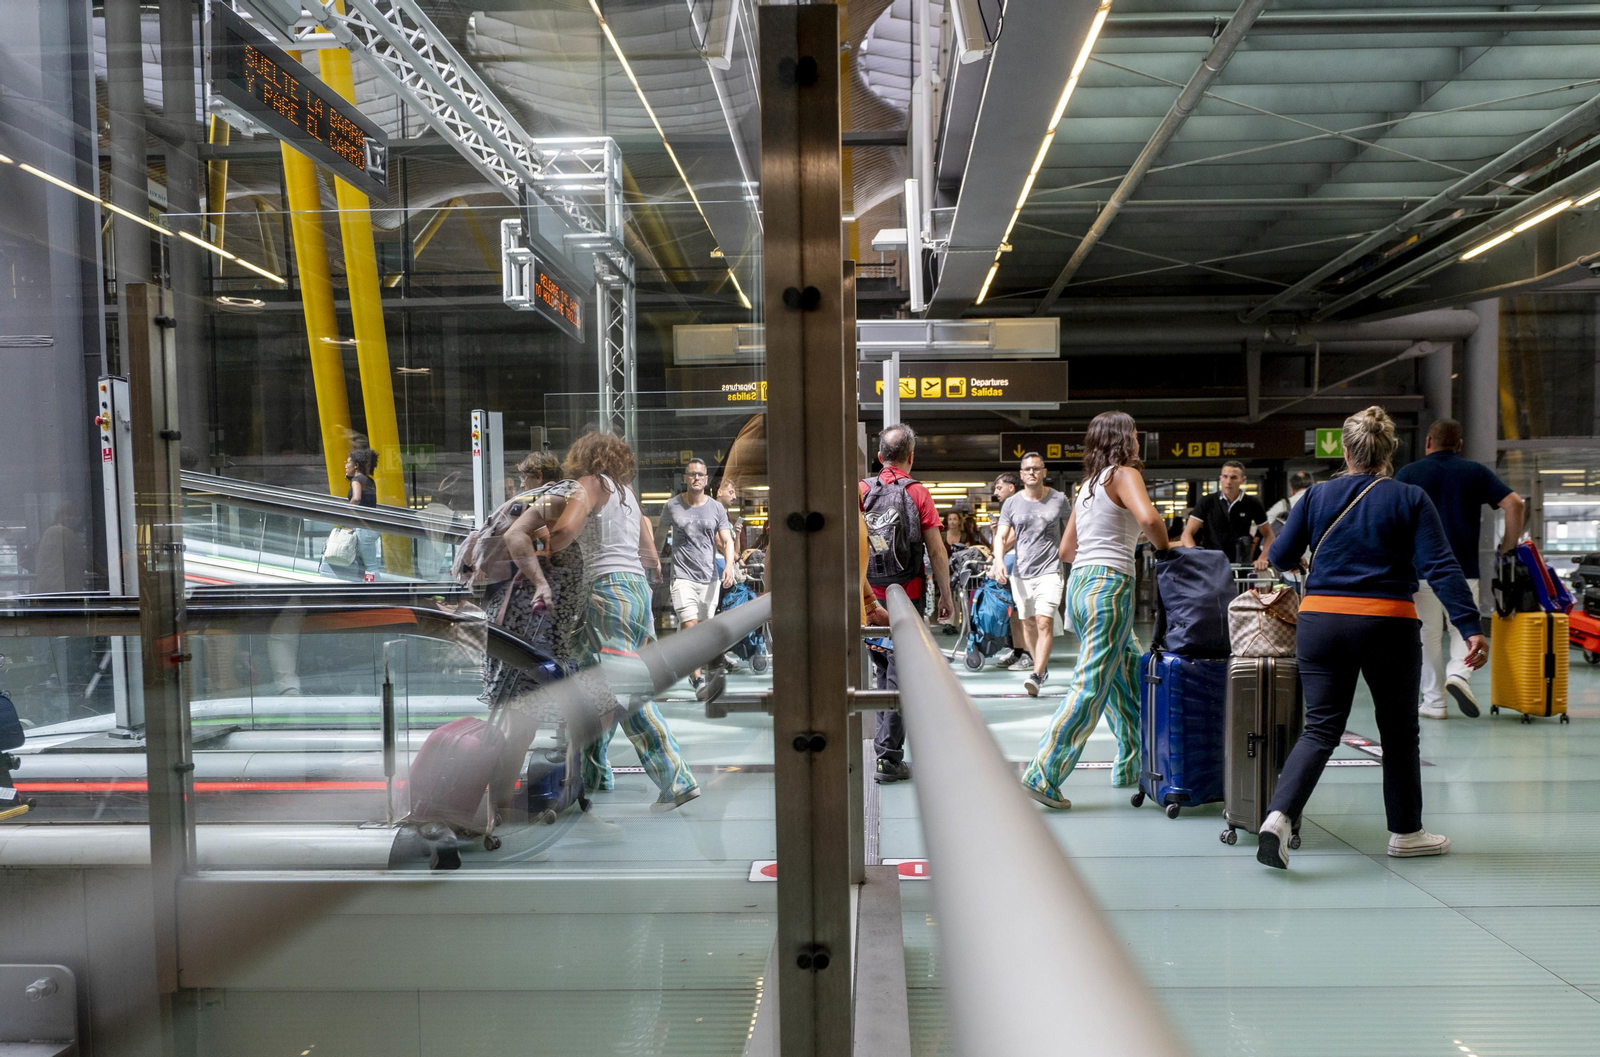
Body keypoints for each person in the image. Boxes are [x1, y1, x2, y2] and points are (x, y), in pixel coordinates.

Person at [1258, 407, 1486, 869]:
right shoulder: (1410, 498)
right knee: (1399, 733)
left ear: (1345, 451)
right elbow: (1440, 566)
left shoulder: (1315, 496)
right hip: (1388, 625)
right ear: (1389, 453)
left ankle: (1277, 820)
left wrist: (1302, 566)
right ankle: (1406, 833)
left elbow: (1279, 555)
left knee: (1320, 728)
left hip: (1321, 623)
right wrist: (1470, 625)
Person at [1021, 412, 1170, 809]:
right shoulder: (1124, 474)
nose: (1138, 440)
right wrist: (1165, 549)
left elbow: (1068, 551)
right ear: (1125, 438)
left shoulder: (1087, 485)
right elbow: (1149, 518)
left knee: (1125, 677)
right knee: (1090, 684)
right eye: (1136, 434)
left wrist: (1118, 537)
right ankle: (1043, 772)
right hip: (1109, 586)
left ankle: (1131, 764)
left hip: (1082, 585)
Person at [546, 431, 700, 811]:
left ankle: (676, 779)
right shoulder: (627, 495)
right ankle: (594, 774)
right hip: (633, 593)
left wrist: (542, 542)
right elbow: (649, 554)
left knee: (626, 691)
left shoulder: (589, 484)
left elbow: (564, 531)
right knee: (591, 684)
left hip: (605, 591)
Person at [1395, 418, 1526, 720]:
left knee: (1426, 635)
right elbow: (1515, 504)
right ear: (1460, 445)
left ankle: (1435, 703)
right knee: (1461, 629)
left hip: (1418, 571)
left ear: (1428, 441)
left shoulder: (1409, 473)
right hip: (1462, 570)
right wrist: (1508, 547)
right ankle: (1459, 674)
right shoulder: (1474, 472)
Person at [860, 423, 953, 783]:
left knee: (883, 671)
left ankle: (884, 752)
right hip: (907, 596)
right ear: (911, 457)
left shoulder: (861, 490)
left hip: (871, 600)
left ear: (880, 456)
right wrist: (945, 595)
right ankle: (887, 758)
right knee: (901, 677)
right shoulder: (917, 493)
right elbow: (936, 550)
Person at [992, 452, 1070, 696]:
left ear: (1044, 472)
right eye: (1027, 469)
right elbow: (1001, 536)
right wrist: (998, 561)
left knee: (1043, 621)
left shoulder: (1059, 499)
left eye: (1036, 468)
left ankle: (1036, 674)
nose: (1032, 473)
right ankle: (1041, 666)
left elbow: (1072, 531)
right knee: (1027, 622)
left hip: (1050, 570)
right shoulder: (1012, 503)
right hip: (1021, 573)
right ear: (1022, 473)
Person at [658, 459, 738, 691]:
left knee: (704, 629)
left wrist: (729, 566)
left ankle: (695, 662)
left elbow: (727, 541)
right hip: (682, 576)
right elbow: (660, 534)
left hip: (710, 577)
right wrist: (654, 562)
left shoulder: (715, 508)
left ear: (705, 479)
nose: (696, 478)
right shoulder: (672, 505)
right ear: (685, 478)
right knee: (690, 624)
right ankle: (696, 677)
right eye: (692, 474)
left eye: (700, 475)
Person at [1179, 460, 1275, 570]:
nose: (1228, 481)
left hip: (1241, 566)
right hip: (1211, 564)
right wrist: (1198, 555)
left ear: (1243, 480)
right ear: (1220, 478)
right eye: (1225, 476)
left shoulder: (1252, 503)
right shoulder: (1207, 502)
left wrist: (1263, 558)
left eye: (1234, 477)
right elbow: (1186, 534)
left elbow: (1269, 535)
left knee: (1241, 587)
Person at [984, 472, 1030, 670]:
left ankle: (1028, 654)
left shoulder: (1022, 505)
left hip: (1024, 567)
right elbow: (1001, 540)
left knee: (1024, 613)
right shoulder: (1008, 508)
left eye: (999, 488)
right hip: (1010, 567)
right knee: (1013, 612)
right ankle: (1018, 651)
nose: (996, 492)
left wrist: (997, 549)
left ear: (1012, 487)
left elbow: (1009, 539)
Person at [320, 447, 381, 581]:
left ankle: (377, 591)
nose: (346, 466)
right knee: (365, 564)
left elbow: (357, 498)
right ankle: (366, 590)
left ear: (356, 465)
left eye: (348, 462)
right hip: (371, 527)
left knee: (370, 566)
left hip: (363, 529)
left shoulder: (357, 480)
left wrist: (345, 513)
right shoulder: (370, 481)